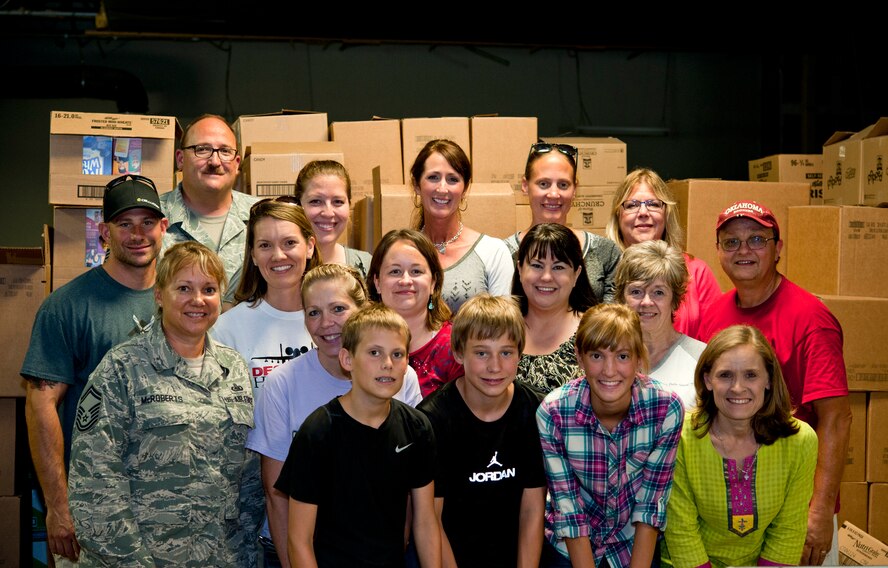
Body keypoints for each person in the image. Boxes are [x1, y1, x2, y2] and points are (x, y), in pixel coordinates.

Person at [67, 241, 263, 567]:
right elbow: (95, 486)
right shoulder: (121, 369)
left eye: (209, 289)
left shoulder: (235, 369)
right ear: (159, 294)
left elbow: (249, 482)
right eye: (183, 288)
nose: (197, 300)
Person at [21, 174, 168, 565]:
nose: (138, 234)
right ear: (104, 232)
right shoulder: (67, 306)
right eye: (124, 224)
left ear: (164, 227)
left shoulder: (183, 301)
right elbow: (40, 408)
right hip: (93, 511)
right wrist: (58, 506)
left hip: (168, 509)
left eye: (147, 222)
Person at [697, 200, 851, 566]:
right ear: (718, 251)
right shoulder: (714, 315)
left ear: (778, 248)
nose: (744, 250)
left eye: (757, 239)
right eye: (731, 242)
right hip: (728, 511)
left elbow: (837, 418)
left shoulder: (810, 318)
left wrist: (820, 509)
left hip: (794, 506)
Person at [247, 263, 423, 567]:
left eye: (338, 309)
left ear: (363, 309)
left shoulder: (400, 376)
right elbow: (276, 495)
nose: (326, 323)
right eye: (313, 312)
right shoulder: (282, 384)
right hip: (298, 549)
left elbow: (408, 486)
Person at [274, 303, 442, 567]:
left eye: (398, 354)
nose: (388, 364)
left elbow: (425, 521)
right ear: (347, 359)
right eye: (374, 353)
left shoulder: (417, 427)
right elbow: (299, 540)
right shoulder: (318, 431)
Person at [536, 303, 684, 568]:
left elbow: (650, 505)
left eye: (623, 356)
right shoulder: (554, 413)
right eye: (596, 356)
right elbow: (569, 510)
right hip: (571, 545)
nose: (609, 370)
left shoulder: (665, 409)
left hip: (632, 542)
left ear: (639, 358)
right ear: (580, 358)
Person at [662, 324, 818, 568]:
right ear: (707, 379)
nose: (737, 387)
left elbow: (788, 530)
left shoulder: (800, 441)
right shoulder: (679, 435)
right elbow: (681, 531)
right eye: (725, 375)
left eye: (751, 375)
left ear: (768, 380)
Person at [417, 294, 547, 568]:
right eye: (481, 353)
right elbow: (432, 519)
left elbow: (533, 509)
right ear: (459, 353)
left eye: (506, 352)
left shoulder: (536, 410)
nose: (495, 366)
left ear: (520, 354)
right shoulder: (432, 419)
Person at [211, 198, 320, 402]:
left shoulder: (335, 324)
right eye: (265, 245)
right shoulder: (226, 330)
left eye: (289, 243)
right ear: (253, 255)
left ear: (310, 246)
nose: (278, 256)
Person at [606, 168, 722, 339]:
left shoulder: (696, 272)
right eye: (632, 205)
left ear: (667, 213)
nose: (643, 213)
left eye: (653, 204)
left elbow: (716, 343)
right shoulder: (604, 269)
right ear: (618, 216)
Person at [161, 113, 259, 309]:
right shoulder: (151, 219)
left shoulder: (263, 217)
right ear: (180, 159)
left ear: (237, 162)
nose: (215, 161)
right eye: (202, 149)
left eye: (225, 151)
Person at [504, 142, 621, 303]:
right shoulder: (502, 253)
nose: (553, 194)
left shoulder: (605, 252)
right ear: (525, 185)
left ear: (575, 189)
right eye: (543, 184)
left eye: (563, 185)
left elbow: (611, 321)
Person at [409, 139, 514, 313]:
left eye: (453, 179)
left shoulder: (493, 251)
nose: (442, 188)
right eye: (433, 177)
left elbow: (504, 328)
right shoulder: (402, 253)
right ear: (416, 185)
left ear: (465, 189)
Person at [368, 228, 463, 398]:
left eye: (416, 271)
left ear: (433, 282)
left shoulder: (455, 346)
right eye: (395, 271)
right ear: (377, 283)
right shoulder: (360, 343)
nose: (405, 281)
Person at [614, 240, 706, 408]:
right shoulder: (605, 356)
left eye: (658, 292)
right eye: (636, 291)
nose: (646, 302)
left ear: (675, 301)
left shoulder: (702, 358)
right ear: (621, 298)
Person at [512, 223, 597, 393]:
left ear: (576, 274)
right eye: (537, 265)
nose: (546, 277)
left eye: (559, 267)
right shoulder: (499, 329)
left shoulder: (595, 331)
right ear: (520, 269)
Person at [294, 160, 372, 278]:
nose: (328, 213)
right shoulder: (283, 267)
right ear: (298, 206)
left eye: (338, 202)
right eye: (316, 201)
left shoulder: (365, 266)